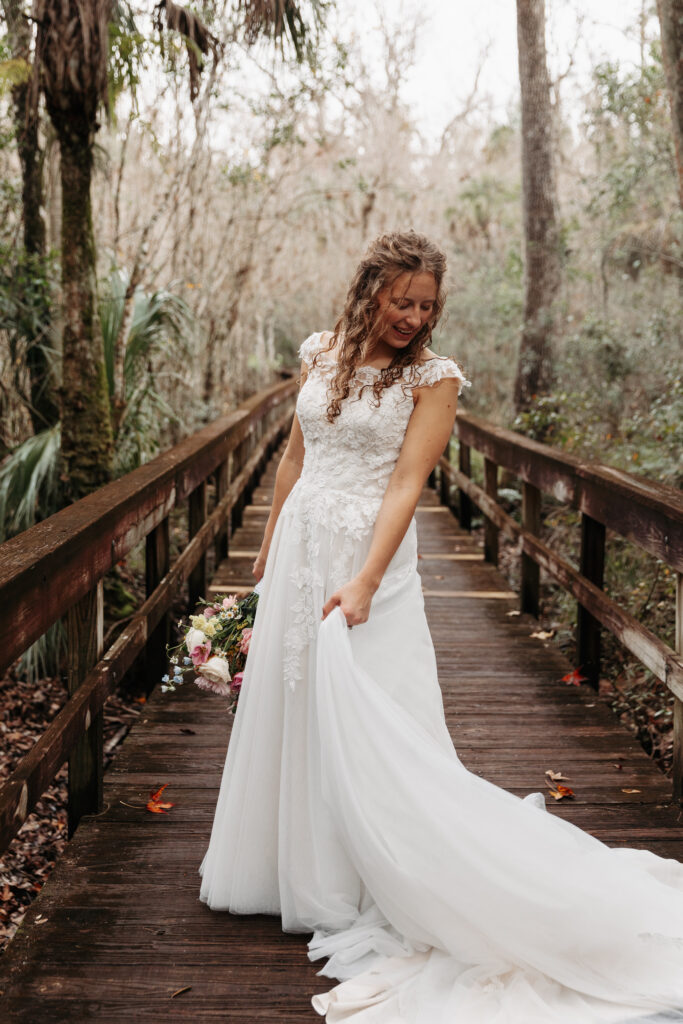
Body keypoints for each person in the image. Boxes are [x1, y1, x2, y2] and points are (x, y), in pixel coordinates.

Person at [199, 230, 683, 1023]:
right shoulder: (320, 353)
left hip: (368, 557)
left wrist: (362, 580)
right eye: (401, 301)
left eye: (425, 305)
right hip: (299, 549)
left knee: (376, 711)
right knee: (291, 696)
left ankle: (371, 874)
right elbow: (293, 455)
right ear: (369, 292)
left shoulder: (434, 379)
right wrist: (269, 541)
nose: (413, 317)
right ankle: (280, 867)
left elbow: (404, 484)